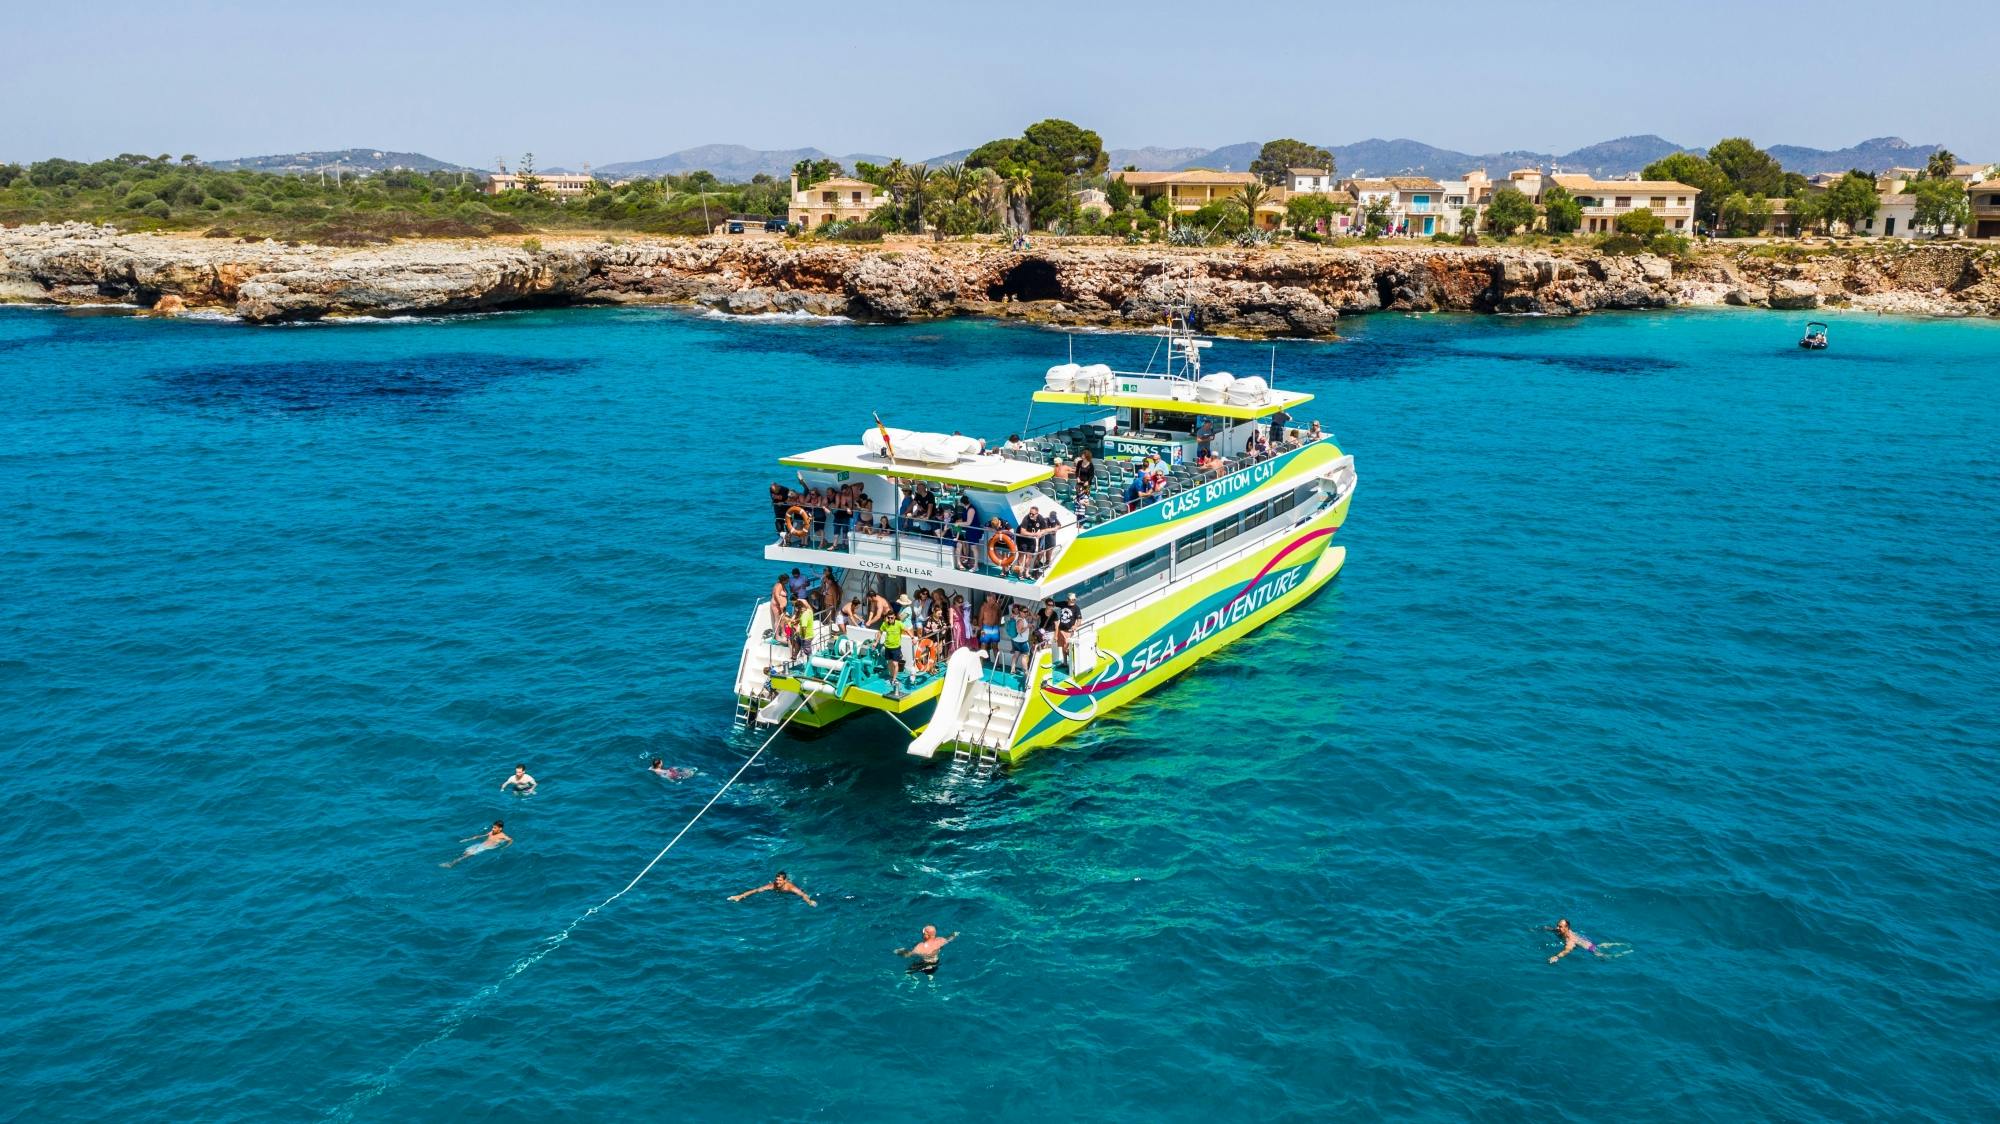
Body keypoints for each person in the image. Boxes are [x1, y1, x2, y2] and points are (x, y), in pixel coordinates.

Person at [443, 821, 511, 867]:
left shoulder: (503, 836)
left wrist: (505, 847)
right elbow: (484, 835)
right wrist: (472, 838)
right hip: (480, 844)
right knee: (466, 851)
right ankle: (454, 861)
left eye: (495, 828)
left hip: (486, 847)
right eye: (493, 827)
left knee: (467, 855)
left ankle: (451, 864)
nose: (493, 829)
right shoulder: (492, 832)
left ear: (500, 828)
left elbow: (511, 840)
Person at [729, 871, 816, 907]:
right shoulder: (772, 886)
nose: (777, 882)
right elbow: (756, 890)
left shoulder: (790, 887)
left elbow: (803, 894)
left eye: (780, 880)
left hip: (789, 893)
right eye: (776, 879)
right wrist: (740, 896)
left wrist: (809, 902)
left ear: (785, 881)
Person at [880, 607, 907, 696]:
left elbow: (906, 630)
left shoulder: (899, 624)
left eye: (891, 618)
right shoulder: (885, 624)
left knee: (895, 664)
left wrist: (912, 637)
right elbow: (880, 631)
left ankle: (894, 679)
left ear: (894, 617)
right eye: (888, 618)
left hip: (896, 648)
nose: (890, 619)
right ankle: (892, 677)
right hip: (888, 647)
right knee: (889, 663)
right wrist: (876, 641)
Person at [1003, 601, 1032, 675]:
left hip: (1015, 641)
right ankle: (1026, 671)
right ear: (1020, 612)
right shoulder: (1020, 620)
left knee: (1016, 654)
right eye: (1024, 612)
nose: (1026, 613)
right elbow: (1019, 631)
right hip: (1022, 642)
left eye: (1027, 611)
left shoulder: (1016, 617)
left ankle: (1012, 669)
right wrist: (1027, 626)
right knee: (1025, 656)